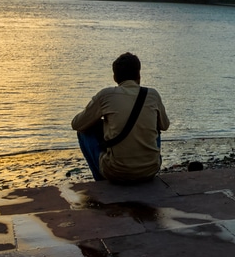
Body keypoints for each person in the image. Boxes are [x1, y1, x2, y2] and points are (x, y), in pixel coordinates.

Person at [71, 52, 170, 183]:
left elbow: (77, 124)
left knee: (83, 131)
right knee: (156, 124)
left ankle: (101, 181)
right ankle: (146, 159)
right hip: (150, 170)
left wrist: (101, 121)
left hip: (116, 173)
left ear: (115, 77)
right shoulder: (152, 95)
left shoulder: (106, 95)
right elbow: (165, 125)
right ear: (139, 75)